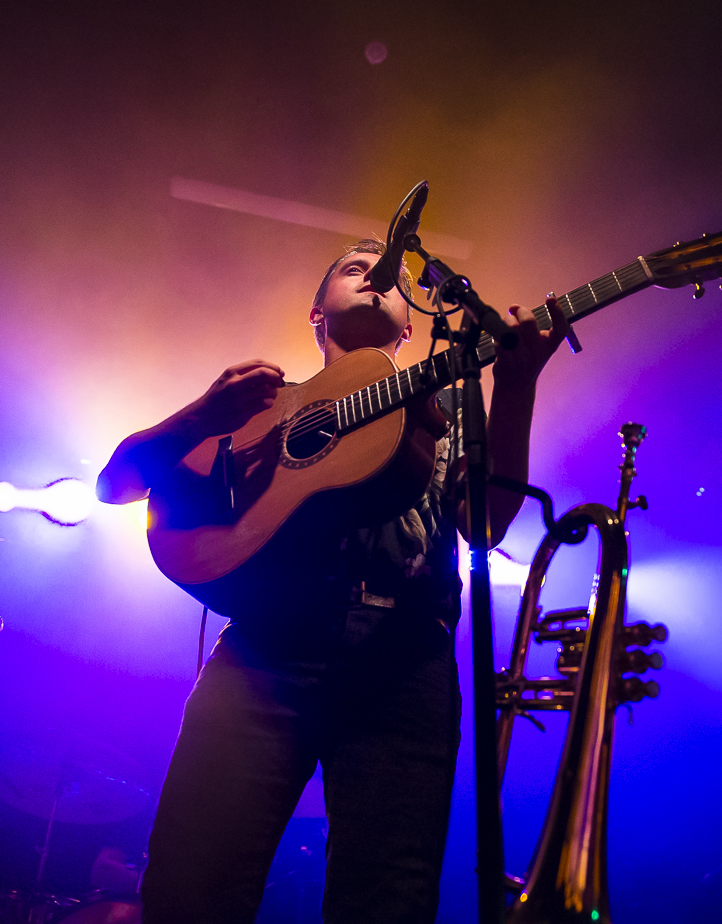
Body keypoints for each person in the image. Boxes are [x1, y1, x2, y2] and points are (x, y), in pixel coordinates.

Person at [98, 238, 567, 923]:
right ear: (316, 314)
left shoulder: (442, 410)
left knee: (386, 904)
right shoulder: (256, 410)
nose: (376, 274)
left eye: (393, 276)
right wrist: (203, 412)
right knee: (185, 893)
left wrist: (518, 387)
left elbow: (486, 525)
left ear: (411, 325)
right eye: (355, 268)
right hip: (265, 650)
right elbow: (117, 484)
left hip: (403, 659)